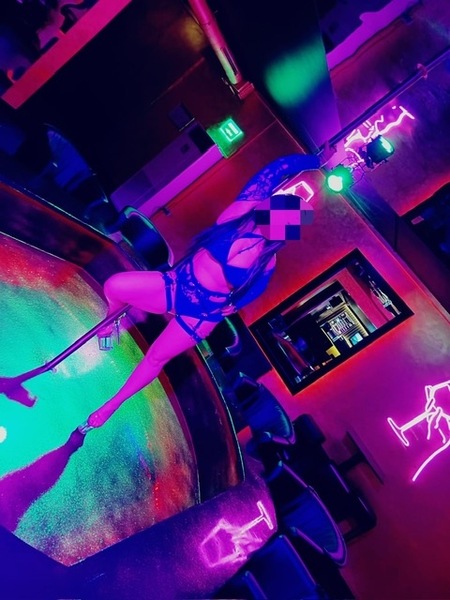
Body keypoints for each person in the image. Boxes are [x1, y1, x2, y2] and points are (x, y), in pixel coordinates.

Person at [78, 152, 321, 434]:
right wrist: (313, 161)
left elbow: (251, 293)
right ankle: (111, 322)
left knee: (156, 357)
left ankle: (111, 406)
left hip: (202, 313)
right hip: (176, 285)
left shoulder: (267, 260)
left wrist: (230, 306)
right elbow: (275, 169)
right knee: (115, 286)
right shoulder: (239, 213)